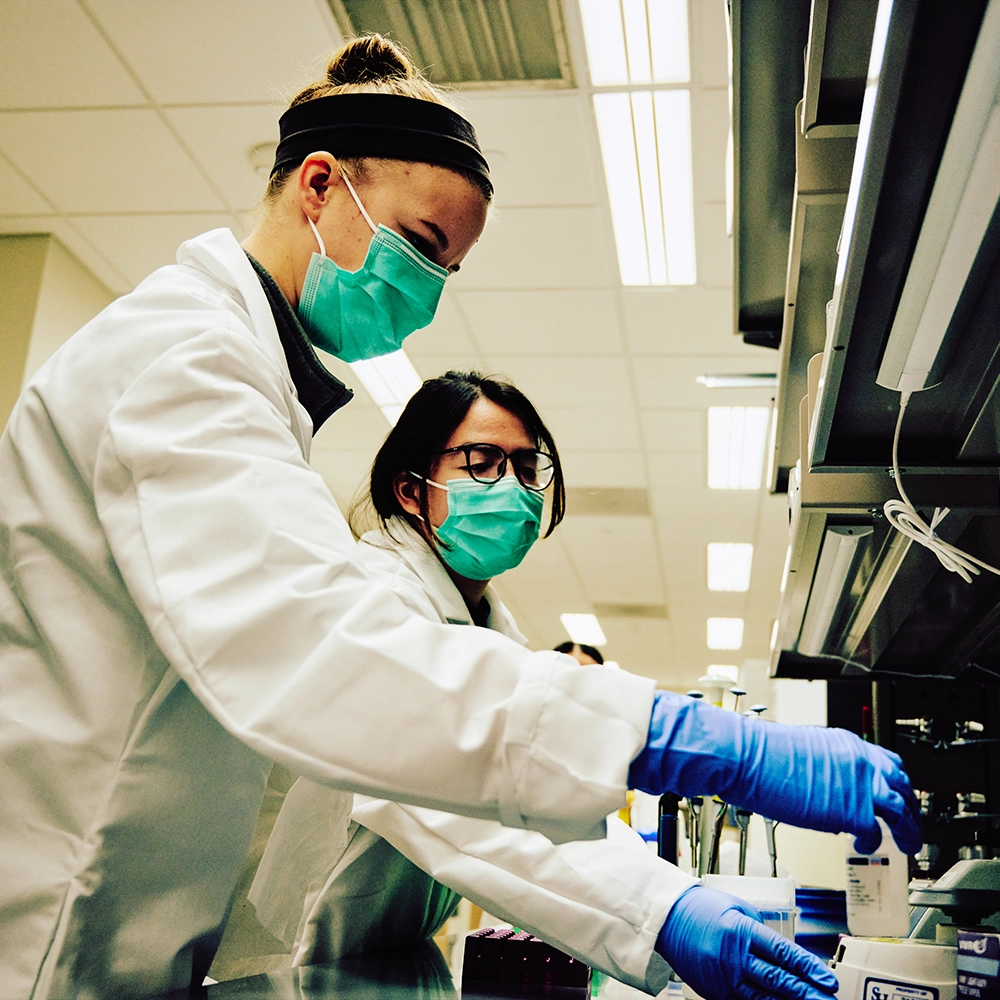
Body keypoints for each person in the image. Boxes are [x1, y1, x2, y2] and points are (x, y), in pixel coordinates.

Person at [0, 32, 919, 1000]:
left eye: (447, 270)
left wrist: (659, 906)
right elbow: (330, 660)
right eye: (420, 247)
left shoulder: (244, 379)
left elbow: (424, 753)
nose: (424, 297)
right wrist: (691, 742)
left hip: (140, 935)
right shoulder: (180, 355)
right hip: (59, 932)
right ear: (318, 184)